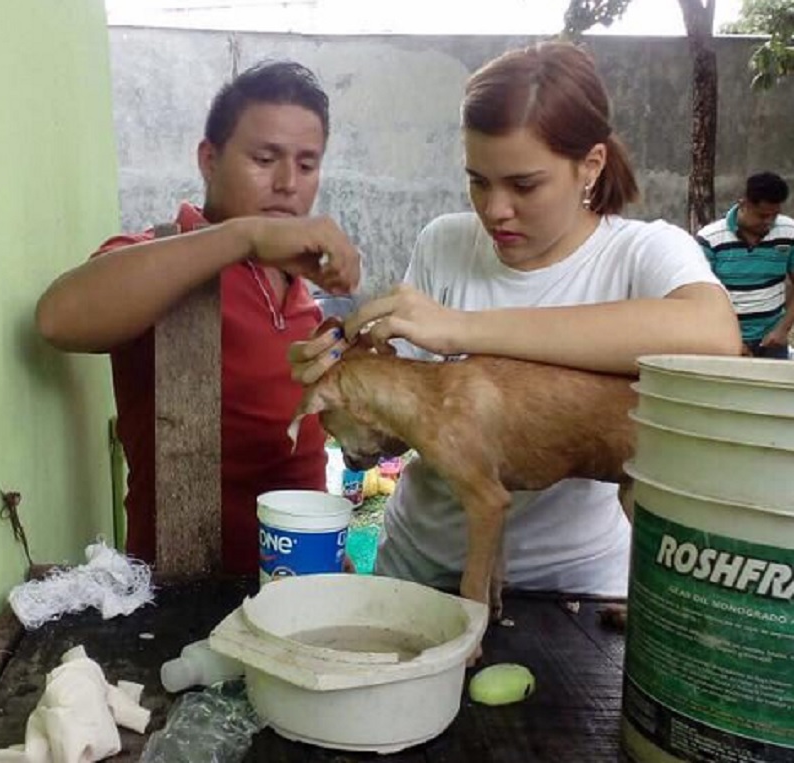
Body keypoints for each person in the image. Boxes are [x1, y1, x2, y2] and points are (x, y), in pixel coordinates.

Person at [290, 42, 740, 598]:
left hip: (572, 594)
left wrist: (462, 329)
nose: (495, 209)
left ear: (590, 166)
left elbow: (716, 338)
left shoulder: (642, 253)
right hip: (417, 570)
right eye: (478, 180)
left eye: (523, 185)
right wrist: (347, 383)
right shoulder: (446, 243)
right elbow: (399, 436)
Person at [36, 61, 361, 575]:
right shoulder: (162, 258)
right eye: (264, 158)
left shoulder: (303, 289)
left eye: (306, 164)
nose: (286, 183)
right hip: (181, 597)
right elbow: (59, 319)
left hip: (297, 585)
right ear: (209, 160)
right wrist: (244, 236)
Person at [697, 172, 794, 359]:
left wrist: (782, 329)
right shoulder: (710, 239)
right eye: (762, 215)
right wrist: (727, 338)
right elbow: (701, 298)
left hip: (772, 341)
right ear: (743, 204)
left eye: (774, 215)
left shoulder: (789, 232)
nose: (769, 222)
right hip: (723, 341)